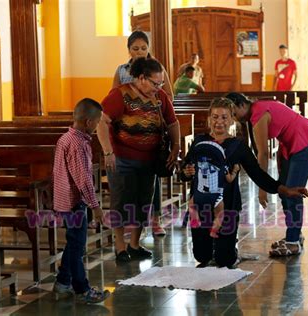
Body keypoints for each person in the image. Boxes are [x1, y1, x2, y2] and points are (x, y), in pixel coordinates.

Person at [181, 97, 308, 268]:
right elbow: (185, 171)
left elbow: (257, 174)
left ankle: (230, 247)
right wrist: (186, 172)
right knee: (202, 256)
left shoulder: (238, 146)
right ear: (209, 118)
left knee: (224, 260)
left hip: (228, 206)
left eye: (224, 117)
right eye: (215, 117)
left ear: (232, 119)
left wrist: (284, 190)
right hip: (200, 204)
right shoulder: (199, 141)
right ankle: (213, 245)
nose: (219, 122)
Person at [97, 58, 180, 263]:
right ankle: (119, 246)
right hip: (122, 159)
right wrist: (108, 152)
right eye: (155, 83)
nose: (158, 88)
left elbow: (172, 122)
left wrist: (176, 146)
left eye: (161, 83)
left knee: (144, 201)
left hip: (149, 159)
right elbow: (101, 120)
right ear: (141, 78)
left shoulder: (160, 97)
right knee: (121, 201)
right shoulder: (120, 95)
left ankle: (134, 244)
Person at [226, 92, 308, 257]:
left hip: (304, 141)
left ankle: (293, 242)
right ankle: (295, 235)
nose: (234, 119)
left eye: (234, 114)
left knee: (292, 192)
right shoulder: (255, 112)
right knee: (284, 191)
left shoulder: (258, 114)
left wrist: (263, 188)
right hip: (291, 145)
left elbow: (262, 154)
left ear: (242, 105)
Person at [112, 30, 171, 237]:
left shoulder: (157, 69)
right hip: (127, 134)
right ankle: (132, 223)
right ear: (128, 49)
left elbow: (168, 96)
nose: (139, 52)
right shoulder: (121, 71)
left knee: (151, 179)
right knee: (129, 184)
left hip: (150, 132)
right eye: (135, 48)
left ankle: (155, 220)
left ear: (149, 49)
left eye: (143, 48)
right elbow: (114, 95)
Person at [52, 98, 110, 304]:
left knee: (73, 243)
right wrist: (96, 207)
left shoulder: (65, 138)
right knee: (77, 248)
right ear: (87, 122)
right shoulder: (78, 145)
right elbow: (83, 180)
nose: (97, 126)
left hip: (63, 199)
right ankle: (82, 289)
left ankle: (62, 283)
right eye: (97, 122)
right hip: (74, 202)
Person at [186, 138, 241, 238]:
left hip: (200, 193)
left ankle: (195, 219)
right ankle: (214, 231)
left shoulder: (199, 165)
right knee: (219, 215)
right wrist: (235, 171)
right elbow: (229, 179)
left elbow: (192, 170)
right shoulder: (222, 167)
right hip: (216, 195)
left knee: (191, 204)